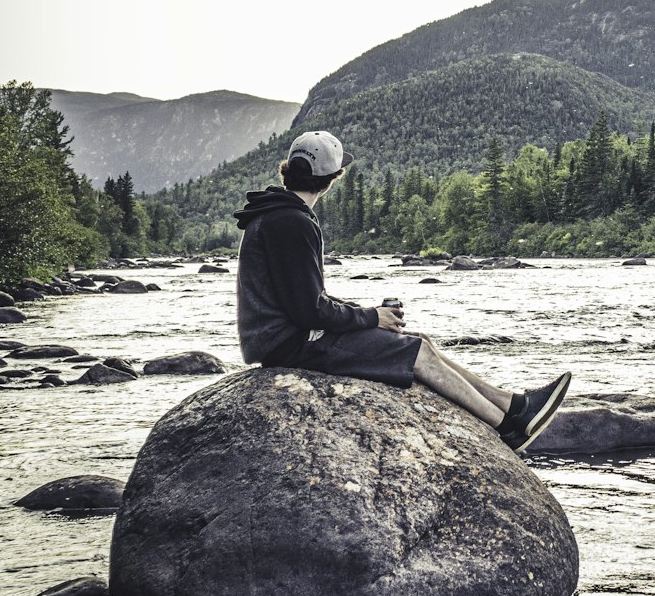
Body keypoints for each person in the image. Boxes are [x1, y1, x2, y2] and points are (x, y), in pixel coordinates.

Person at [235, 130, 570, 454]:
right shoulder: (292, 221)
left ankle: (514, 406)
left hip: (282, 340)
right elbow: (309, 310)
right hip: (292, 346)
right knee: (416, 353)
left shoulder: (273, 213)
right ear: (331, 178)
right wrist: (371, 317)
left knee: (419, 342)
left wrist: (368, 317)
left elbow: (303, 298)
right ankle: (504, 428)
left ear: (288, 170)